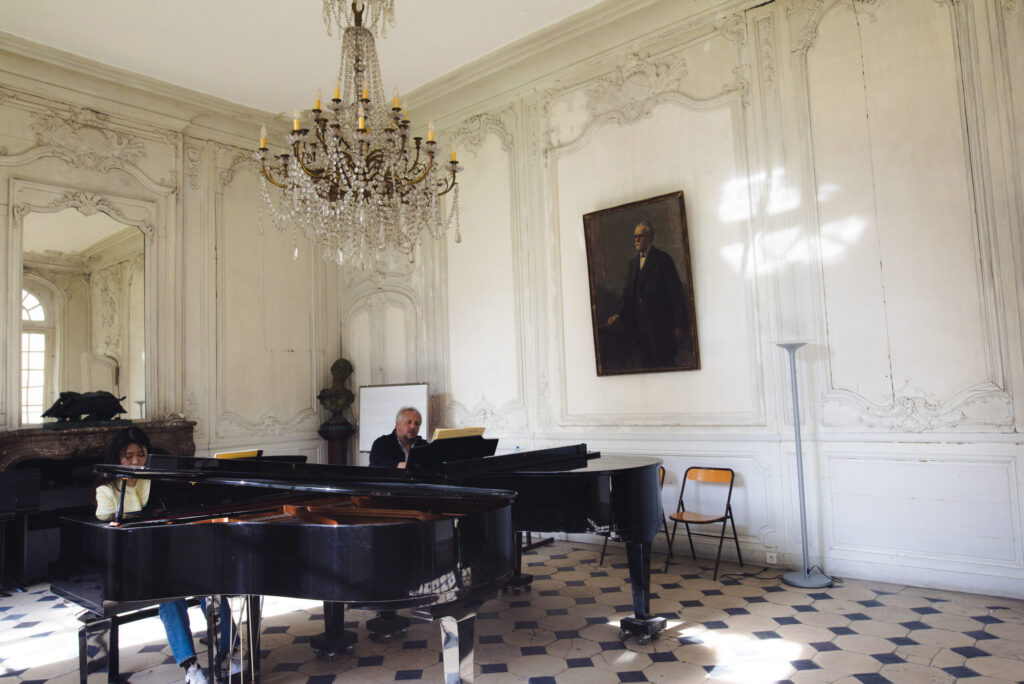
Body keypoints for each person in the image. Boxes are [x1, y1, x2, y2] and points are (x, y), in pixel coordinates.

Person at [95, 428, 238, 684]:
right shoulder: (106, 490)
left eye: (141, 454)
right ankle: (190, 666)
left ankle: (228, 654)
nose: (136, 461)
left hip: (170, 558)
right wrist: (129, 485)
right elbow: (115, 528)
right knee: (170, 599)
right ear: (117, 458)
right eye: (129, 456)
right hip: (133, 565)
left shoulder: (158, 481)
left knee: (213, 589)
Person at [605, 220, 694, 369]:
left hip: (662, 327)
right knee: (646, 365)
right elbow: (627, 293)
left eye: (641, 236)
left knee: (665, 365)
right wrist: (618, 314)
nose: (637, 239)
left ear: (650, 237)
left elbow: (676, 293)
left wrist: (679, 325)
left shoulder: (663, 259)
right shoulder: (633, 263)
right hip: (640, 328)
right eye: (635, 236)